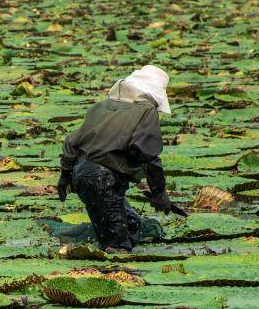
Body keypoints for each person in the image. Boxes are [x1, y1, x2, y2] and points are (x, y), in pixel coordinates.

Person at [57, 65, 173, 252]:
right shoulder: (146, 111)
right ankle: (109, 274)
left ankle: (102, 262)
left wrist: (66, 175)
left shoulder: (102, 106)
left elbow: (71, 142)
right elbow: (147, 154)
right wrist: (159, 192)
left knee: (131, 223)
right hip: (104, 179)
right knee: (117, 246)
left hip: (81, 174)